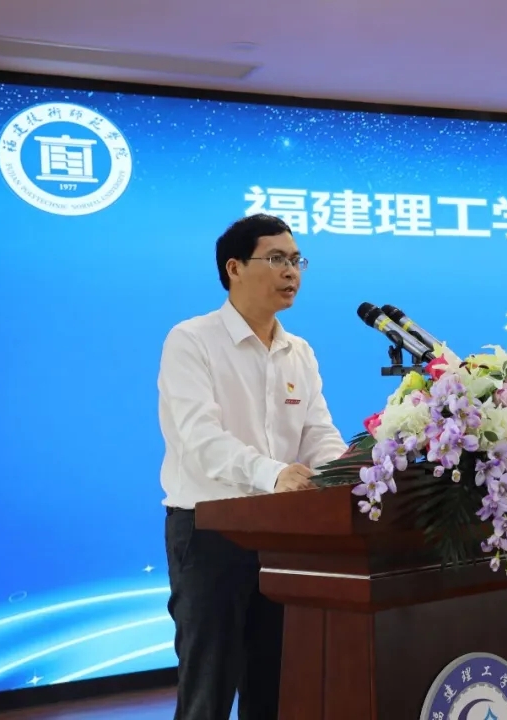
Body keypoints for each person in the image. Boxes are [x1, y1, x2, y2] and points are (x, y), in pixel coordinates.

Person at [157, 213, 349, 720]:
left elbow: (317, 433)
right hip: (210, 534)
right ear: (235, 267)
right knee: (209, 688)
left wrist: (348, 476)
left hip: (284, 535)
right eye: (277, 259)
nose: (291, 272)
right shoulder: (191, 340)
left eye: (297, 260)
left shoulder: (298, 351)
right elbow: (199, 439)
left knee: (276, 686)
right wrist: (273, 473)